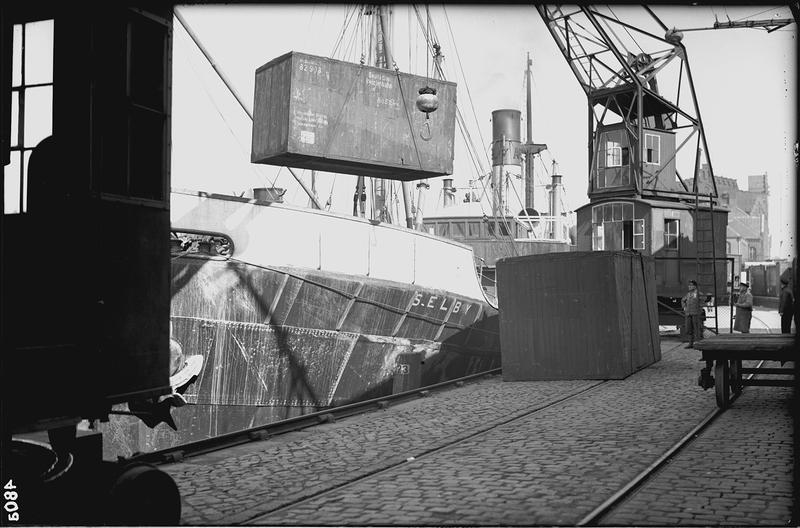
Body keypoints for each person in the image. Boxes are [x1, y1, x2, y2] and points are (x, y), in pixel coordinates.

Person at [681, 280, 703, 348]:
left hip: (695, 313)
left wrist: (700, 308)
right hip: (688, 313)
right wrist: (684, 307)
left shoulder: (698, 293)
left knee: (696, 328)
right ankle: (691, 343)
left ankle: (698, 343)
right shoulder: (688, 294)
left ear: (695, 286)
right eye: (689, 285)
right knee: (688, 328)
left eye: (691, 285)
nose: (689, 286)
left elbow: (703, 300)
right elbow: (682, 300)